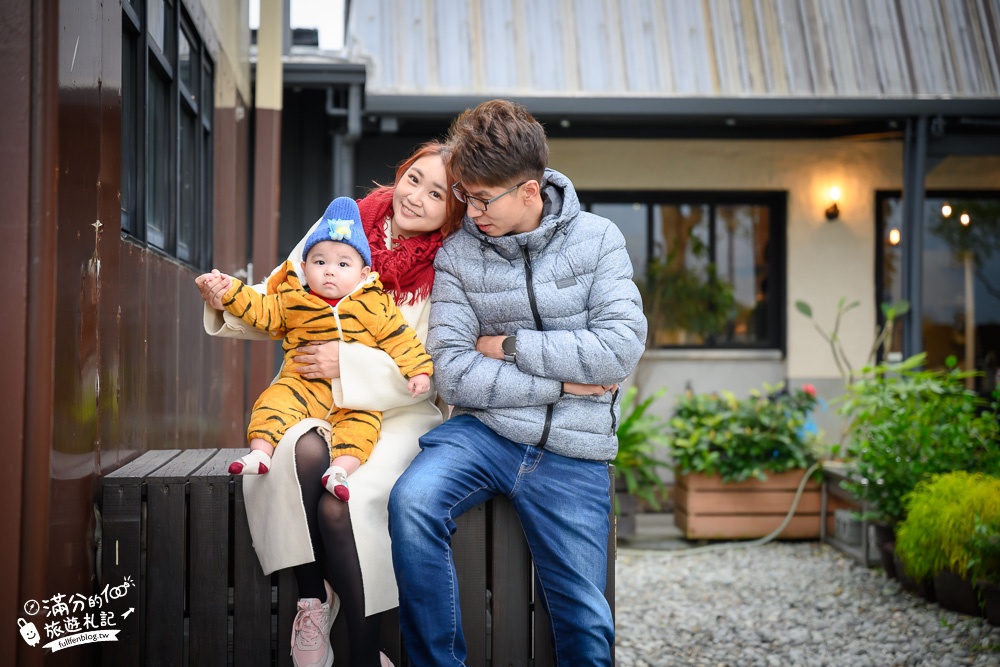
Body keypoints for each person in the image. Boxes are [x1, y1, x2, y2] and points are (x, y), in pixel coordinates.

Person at [387, 100, 647, 666]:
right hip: (483, 433)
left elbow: (617, 349)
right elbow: (452, 369)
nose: (470, 210)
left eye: (482, 198)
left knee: (586, 623)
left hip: (573, 451)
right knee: (412, 501)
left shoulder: (599, 240)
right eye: (465, 195)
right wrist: (562, 386)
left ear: (530, 190)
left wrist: (509, 346)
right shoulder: (459, 254)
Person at [196, 141, 464, 667]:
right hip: (312, 393)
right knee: (299, 455)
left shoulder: (450, 267)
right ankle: (312, 600)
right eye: (414, 179)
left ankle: (364, 652)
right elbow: (282, 296)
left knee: (340, 506)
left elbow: (431, 365)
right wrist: (225, 295)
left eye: (436, 194)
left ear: (452, 211)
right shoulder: (345, 224)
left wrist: (348, 363)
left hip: (396, 411)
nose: (416, 197)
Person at [198, 196, 432, 501]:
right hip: (302, 383)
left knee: (361, 429)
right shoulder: (295, 297)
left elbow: (401, 339)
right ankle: (260, 453)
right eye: (320, 262)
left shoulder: (374, 303)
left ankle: (340, 470)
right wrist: (229, 293)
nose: (330, 271)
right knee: (273, 404)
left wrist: (419, 371)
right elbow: (262, 310)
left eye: (343, 264)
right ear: (305, 267)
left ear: (363, 274)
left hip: (357, 398)